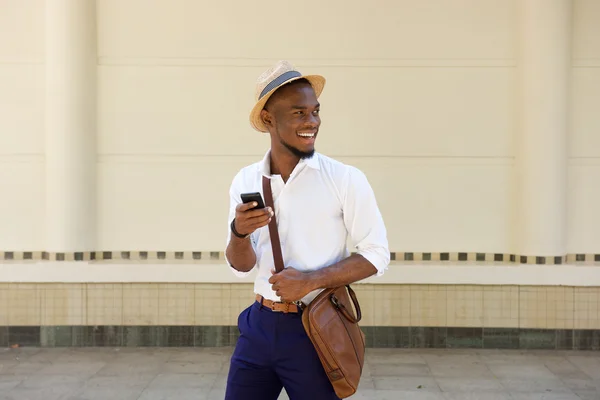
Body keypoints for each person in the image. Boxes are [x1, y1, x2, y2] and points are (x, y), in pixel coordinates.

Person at [224, 60, 390, 400]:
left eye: (315, 112)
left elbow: (377, 254)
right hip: (259, 325)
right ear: (269, 118)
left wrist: (310, 281)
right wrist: (238, 233)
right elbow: (241, 265)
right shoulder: (246, 180)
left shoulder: (344, 179)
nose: (311, 122)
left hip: (315, 327)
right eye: (299, 113)